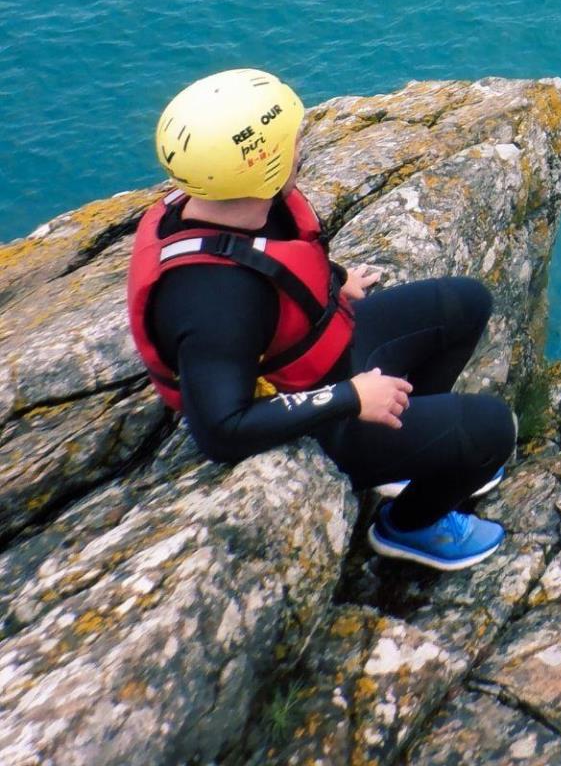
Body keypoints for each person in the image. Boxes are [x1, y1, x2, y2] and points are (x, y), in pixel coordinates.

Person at [128, 69, 516, 571]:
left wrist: (331, 281)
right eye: (292, 139)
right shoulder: (215, 301)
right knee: (492, 428)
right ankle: (411, 524)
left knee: (463, 303)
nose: (302, 144)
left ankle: (413, 455)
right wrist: (351, 398)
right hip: (316, 419)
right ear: (262, 167)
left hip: (326, 356)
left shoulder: (224, 204)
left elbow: (269, 257)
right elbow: (221, 430)